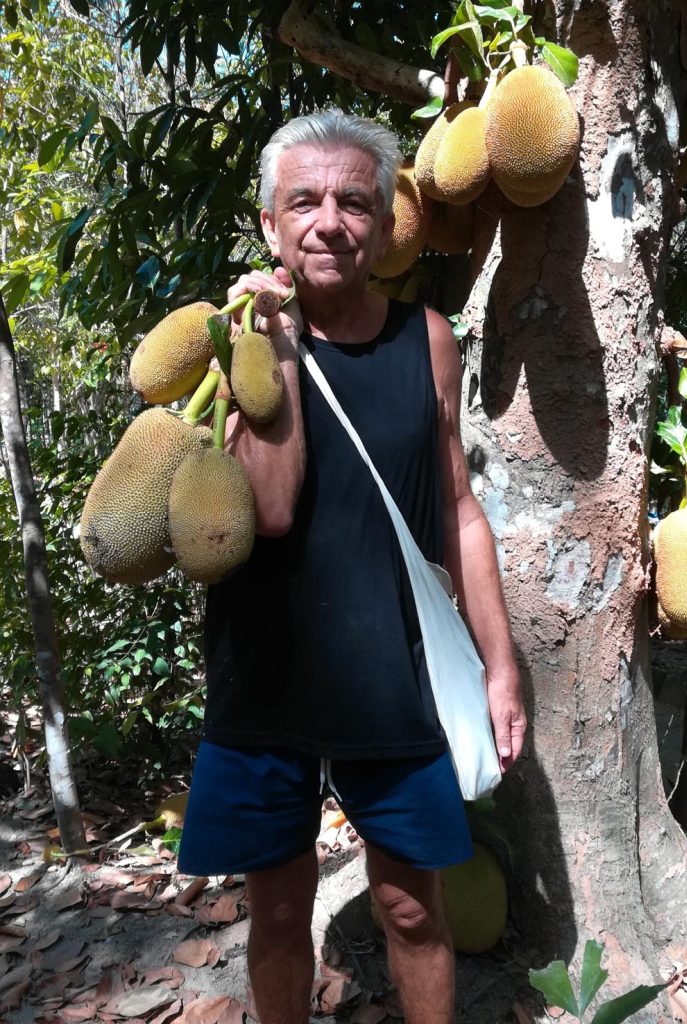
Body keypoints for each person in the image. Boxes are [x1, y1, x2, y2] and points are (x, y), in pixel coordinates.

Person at [178, 109, 527, 1024]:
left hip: (392, 675)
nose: (329, 220)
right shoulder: (232, 348)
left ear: (382, 226)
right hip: (265, 672)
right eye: (304, 201)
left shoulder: (429, 341)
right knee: (281, 911)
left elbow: (458, 510)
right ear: (270, 224)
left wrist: (499, 665)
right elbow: (275, 504)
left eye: (353, 202)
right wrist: (273, 348)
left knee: (414, 905)